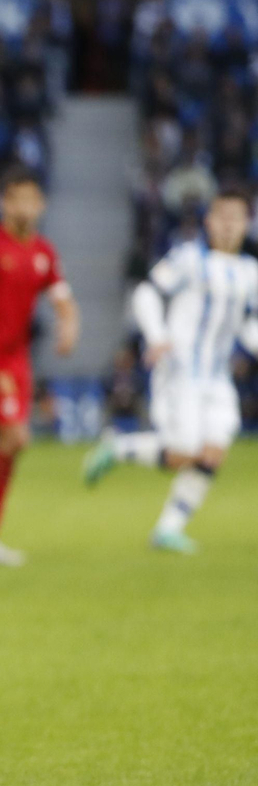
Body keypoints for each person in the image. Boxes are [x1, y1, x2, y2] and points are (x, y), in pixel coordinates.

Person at [82, 190, 258, 552]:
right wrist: (157, 335)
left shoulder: (251, 272)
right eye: (221, 217)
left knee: (213, 453)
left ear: (246, 223)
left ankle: (167, 529)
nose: (228, 225)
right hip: (180, 369)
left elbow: (249, 326)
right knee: (184, 450)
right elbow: (146, 291)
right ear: (209, 220)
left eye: (236, 218)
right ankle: (119, 447)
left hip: (216, 375)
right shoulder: (188, 258)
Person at [0, 168, 80, 566]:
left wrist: (69, 324)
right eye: (16, 199)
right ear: (4, 203)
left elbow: (62, 297)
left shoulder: (43, 253)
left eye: (31, 200)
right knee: (15, 439)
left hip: (15, 360)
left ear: (41, 205)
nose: (24, 207)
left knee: (11, 446)